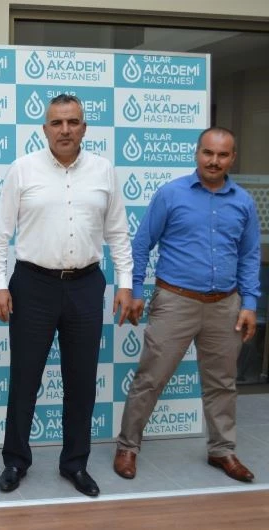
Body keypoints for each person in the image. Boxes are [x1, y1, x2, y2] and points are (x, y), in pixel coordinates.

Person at [0, 94, 133, 497]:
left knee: (82, 381)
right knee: (25, 379)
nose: (65, 130)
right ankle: (15, 461)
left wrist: (125, 283)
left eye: (72, 122)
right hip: (32, 285)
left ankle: (75, 464)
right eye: (57, 123)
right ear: (45, 129)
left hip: (86, 285)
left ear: (84, 127)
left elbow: (118, 233)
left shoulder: (104, 171)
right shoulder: (23, 169)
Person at [113, 127, 260, 483]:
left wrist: (250, 303)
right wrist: (135, 290)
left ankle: (222, 450)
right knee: (151, 378)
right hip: (175, 301)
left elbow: (249, 256)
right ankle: (128, 447)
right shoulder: (171, 194)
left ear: (232, 158)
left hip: (225, 305)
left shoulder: (243, 202)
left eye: (222, 155)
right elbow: (141, 244)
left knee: (222, 383)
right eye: (208, 152)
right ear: (197, 153)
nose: (214, 161)